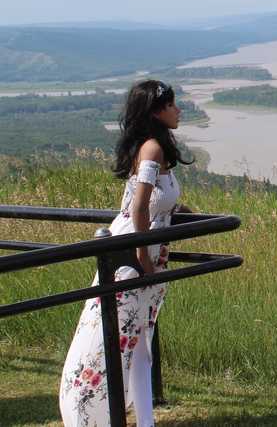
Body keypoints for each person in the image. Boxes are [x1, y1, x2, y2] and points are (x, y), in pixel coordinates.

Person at [59, 80, 192, 427]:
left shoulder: (155, 147)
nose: (178, 110)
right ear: (155, 112)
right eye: (172, 105)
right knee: (121, 332)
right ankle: (89, 411)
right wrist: (144, 259)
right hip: (134, 251)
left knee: (138, 338)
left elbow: (153, 203)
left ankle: (143, 420)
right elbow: (138, 207)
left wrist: (177, 213)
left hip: (145, 245)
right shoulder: (152, 149)